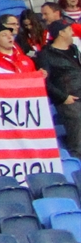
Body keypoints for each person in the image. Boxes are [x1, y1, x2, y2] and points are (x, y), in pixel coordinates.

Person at [43, 22, 81, 157]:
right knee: (77, 140)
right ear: (61, 33)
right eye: (69, 30)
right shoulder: (46, 54)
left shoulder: (74, 49)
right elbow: (45, 81)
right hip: (69, 101)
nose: (73, 33)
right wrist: (63, 97)